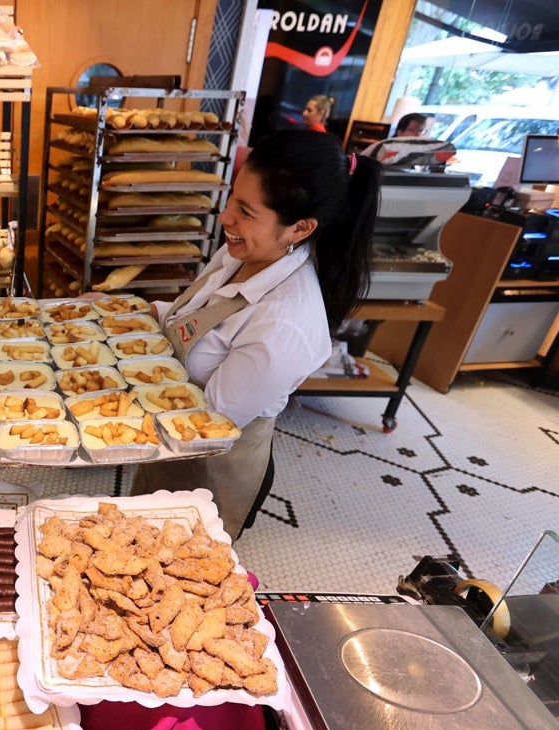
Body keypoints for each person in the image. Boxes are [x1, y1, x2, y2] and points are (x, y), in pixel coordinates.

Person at [130, 131, 382, 539]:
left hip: (208, 469)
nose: (226, 217)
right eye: (232, 200)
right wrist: (136, 312)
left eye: (246, 211)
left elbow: (206, 424)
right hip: (166, 451)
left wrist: (105, 421)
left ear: (299, 229)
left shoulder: (285, 322)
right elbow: (195, 322)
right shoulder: (240, 254)